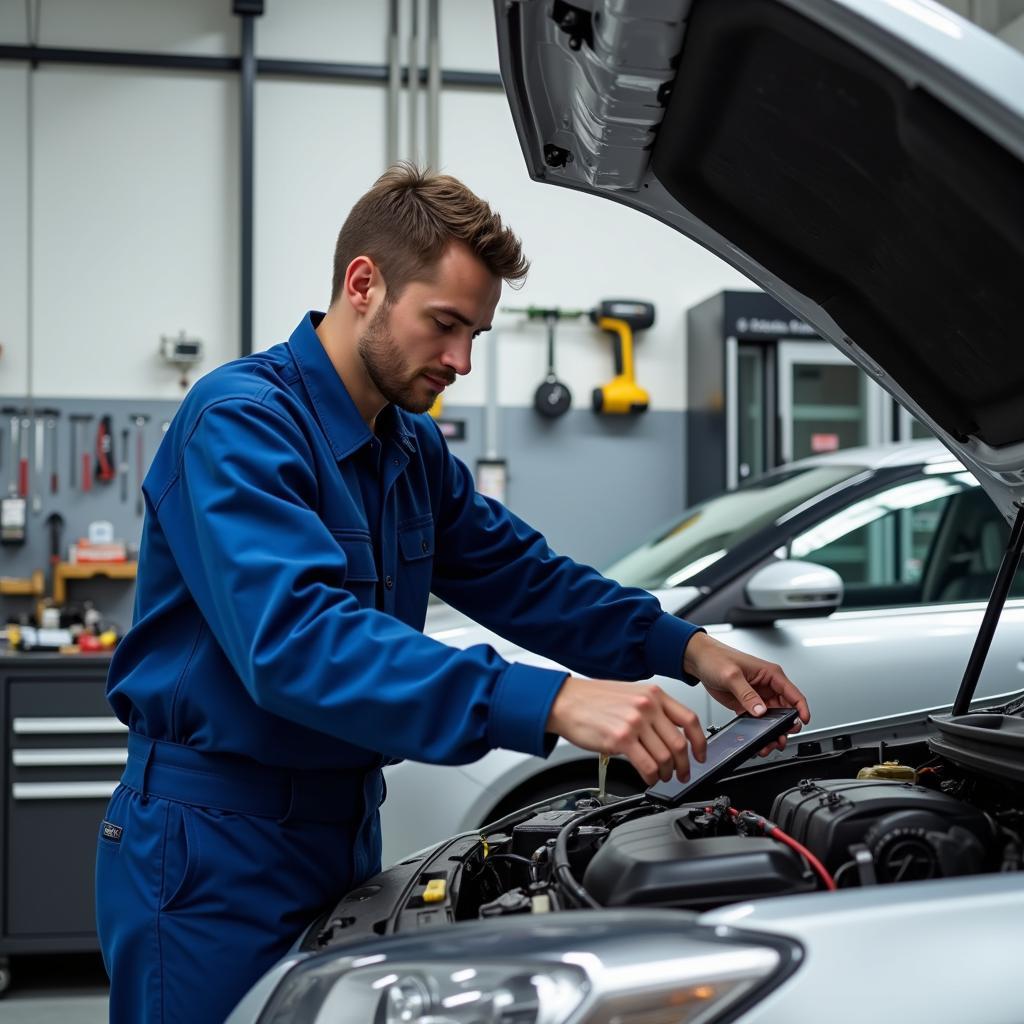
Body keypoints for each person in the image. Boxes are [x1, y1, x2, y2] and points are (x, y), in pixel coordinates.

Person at [96, 163, 809, 1024]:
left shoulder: (406, 449)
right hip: (212, 848)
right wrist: (551, 700)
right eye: (445, 325)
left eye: (476, 333)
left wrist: (686, 646)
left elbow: (525, 577)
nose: (462, 361)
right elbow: (299, 642)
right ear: (364, 284)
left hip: (339, 831)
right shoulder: (240, 422)